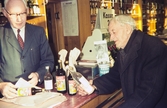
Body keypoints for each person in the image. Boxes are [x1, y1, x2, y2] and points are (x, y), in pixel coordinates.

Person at [78, 15, 167, 108]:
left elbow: (148, 93)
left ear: (127, 29)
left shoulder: (154, 47)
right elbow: (115, 76)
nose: (111, 38)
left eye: (114, 32)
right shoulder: (125, 48)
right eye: (110, 34)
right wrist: (94, 85)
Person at [0, 0, 54, 98]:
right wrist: (0, 86)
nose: (19, 19)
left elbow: (48, 60)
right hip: (8, 95)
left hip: (34, 92)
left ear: (27, 11)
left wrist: (38, 75)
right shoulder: (1, 35)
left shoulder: (38, 32)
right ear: (5, 13)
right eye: (14, 14)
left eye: (22, 13)